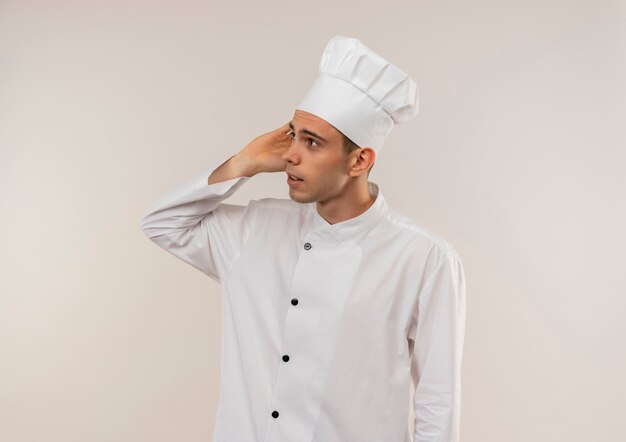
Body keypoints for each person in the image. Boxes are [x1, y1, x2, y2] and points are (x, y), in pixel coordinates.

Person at [140, 35, 466, 442]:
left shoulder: (424, 258)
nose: (291, 154)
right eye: (293, 135)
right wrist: (245, 161)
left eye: (312, 142)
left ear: (360, 159)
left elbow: (438, 402)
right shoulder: (256, 229)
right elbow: (162, 223)